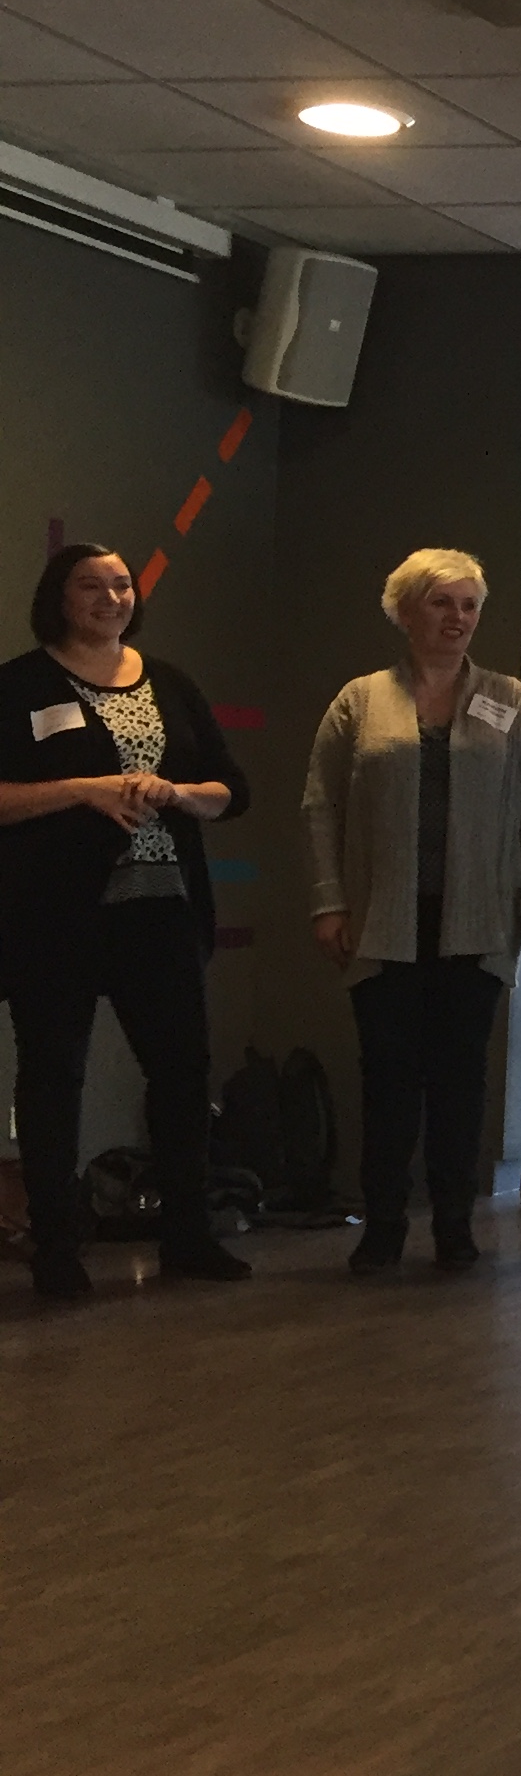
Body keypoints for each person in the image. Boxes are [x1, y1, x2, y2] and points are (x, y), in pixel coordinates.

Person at [0, 544, 253, 1296]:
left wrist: (177, 794)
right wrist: (85, 789)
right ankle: (55, 1248)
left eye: (121, 584)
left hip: (161, 909)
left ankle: (188, 1235)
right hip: (55, 916)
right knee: (53, 1076)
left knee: (181, 1074)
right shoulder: (20, 684)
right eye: (92, 586)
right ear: (59, 597)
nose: (111, 598)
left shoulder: (170, 682)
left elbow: (230, 791)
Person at [305, 547, 521, 1274]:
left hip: (476, 923)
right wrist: (328, 901)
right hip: (382, 921)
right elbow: (321, 806)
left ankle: (454, 1224)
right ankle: (383, 1226)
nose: (458, 617)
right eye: (442, 602)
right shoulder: (360, 700)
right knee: (387, 1080)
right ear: (406, 610)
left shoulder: (511, 701)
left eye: (469, 605)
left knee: (460, 1081)